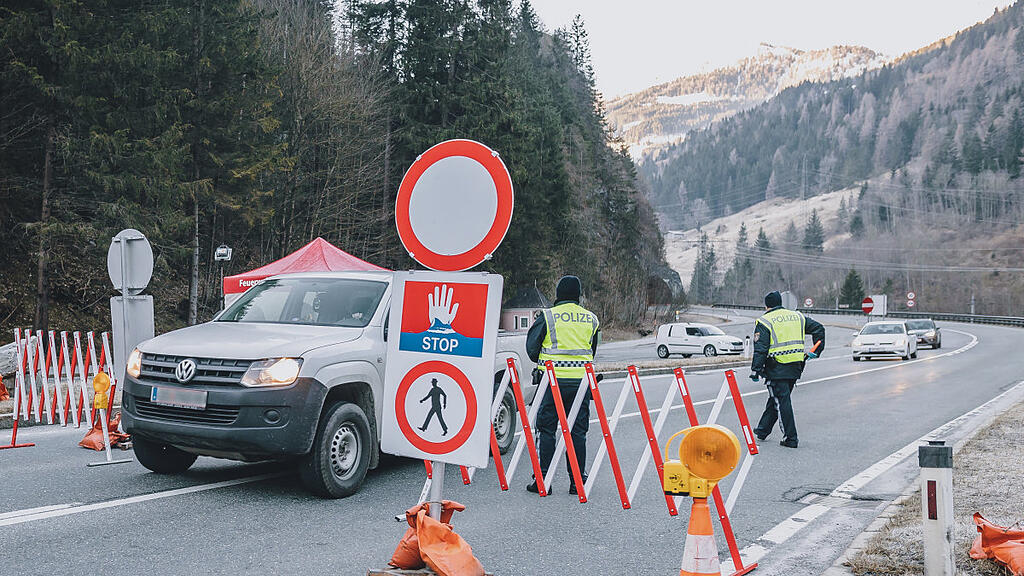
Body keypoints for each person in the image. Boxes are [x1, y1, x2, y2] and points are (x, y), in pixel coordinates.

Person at [525, 275, 600, 495]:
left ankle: (543, 481)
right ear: (578, 295)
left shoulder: (547, 317)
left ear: (558, 294)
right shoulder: (591, 319)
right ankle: (577, 482)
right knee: (577, 432)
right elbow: (591, 352)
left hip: (551, 383)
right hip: (581, 384)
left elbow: (532, 350)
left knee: (546, 430)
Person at [750, 290, 825, 449]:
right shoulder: (797, 317)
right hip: (796, 366)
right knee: (778, 398)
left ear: (766, 306)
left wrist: (755, 370)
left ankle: (790, 438)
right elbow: (819, 328)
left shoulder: (765, 321)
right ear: (781, 303)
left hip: (776, 366)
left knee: (782, 401)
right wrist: (816, 350)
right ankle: (763, 429)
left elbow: (761, 348)